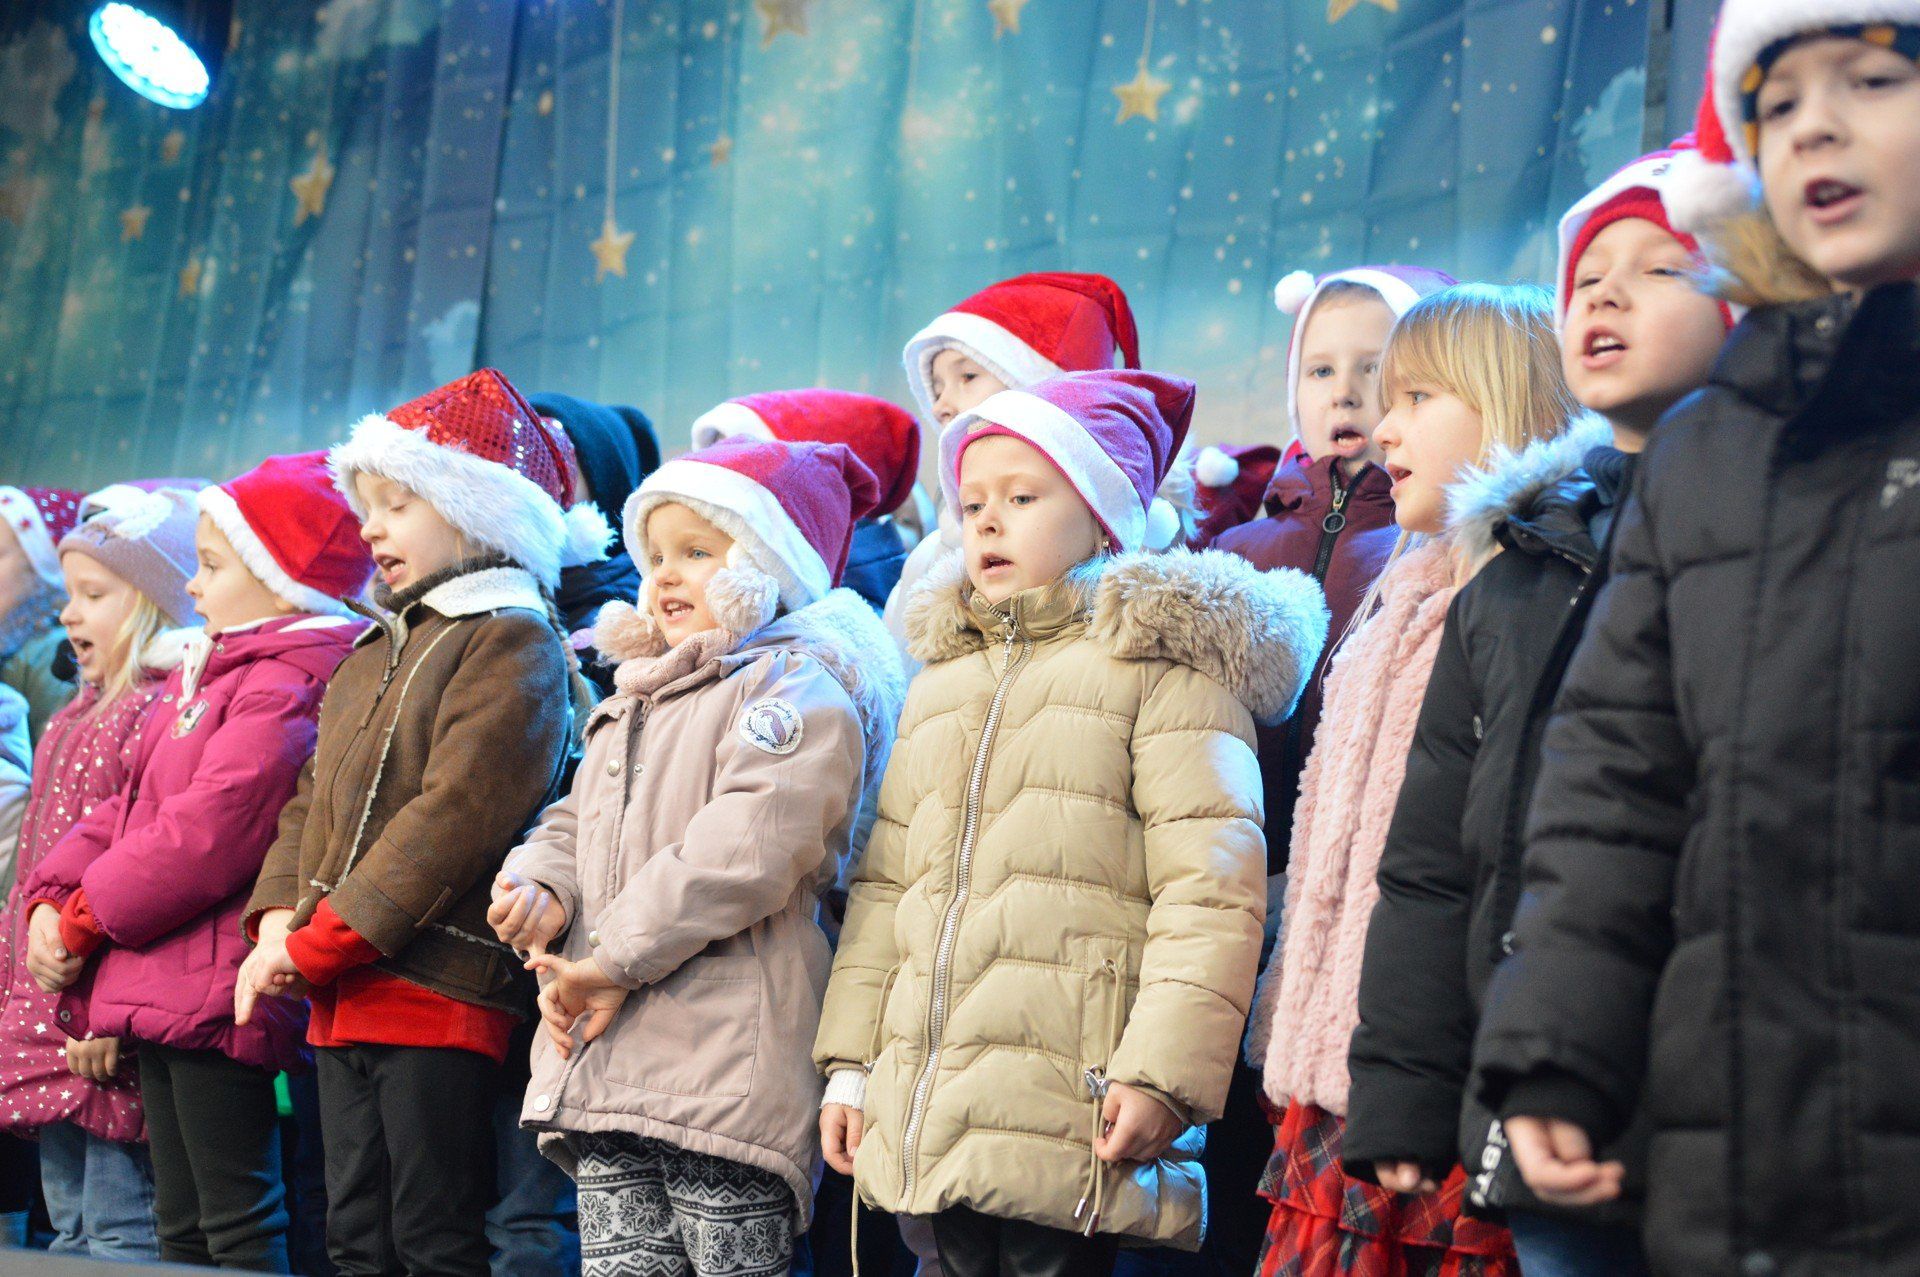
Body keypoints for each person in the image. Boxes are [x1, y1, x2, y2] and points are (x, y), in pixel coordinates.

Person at [1472, 6, 1920, 1271]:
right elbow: (1617, 786)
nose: (1816, 123)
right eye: (1776, 104)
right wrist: (1557, 1053)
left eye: (1874, 79)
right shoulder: (1711, 452)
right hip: (1739, 1154)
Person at [815, 368, 1330, 1276]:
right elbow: (884, 888)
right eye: (971, 501)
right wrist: (853, 1063)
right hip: (935, 1097)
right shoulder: (940, 683)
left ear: (1102, 518)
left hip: (1081, 1093)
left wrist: (1161, 1073)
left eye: (1022, 496)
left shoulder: (1162, 666)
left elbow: (1210, 889)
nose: (987, 519)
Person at [1344, 142, 1734, 1277]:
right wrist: (1410, 1087)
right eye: (1586, 274)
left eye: (1659, 267)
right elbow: (1432, 862)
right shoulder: (1514, 571)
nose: (1604, 291)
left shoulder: (1769, 536)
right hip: (1548, 1100)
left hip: (1730, 1099)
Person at [492, 435, 903, 1277]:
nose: (667, 574)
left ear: (767, 564)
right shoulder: (631, 701)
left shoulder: (791, 687)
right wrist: (540, 880)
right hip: (607, 1057)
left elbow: (747, 846)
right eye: (657, 556)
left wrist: (611, 960)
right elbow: (574, 819)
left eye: (699, 552)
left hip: (722, 1066)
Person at [1246, 283, 1584, 1277]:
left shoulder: (1522, 598)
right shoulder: (1396, 595)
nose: (1385, 426)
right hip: (1338, 1070)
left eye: (1421, 397)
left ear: (1511, 403)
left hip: (1444, 1079)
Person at [239, 372, 595, 1276]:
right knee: (355, 1233)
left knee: (432, 1233)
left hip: (434, 980)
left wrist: (328, 935)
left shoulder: (510, 639)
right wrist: (280, 915)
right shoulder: (374, 647)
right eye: (368, 506)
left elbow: (458, 817)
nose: (371, 527)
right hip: (340, 985)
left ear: (476, 511)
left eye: (398, 503)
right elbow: (311, 796)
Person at [25, 459, 373, 1270]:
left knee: (237, 1217)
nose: (195, 586)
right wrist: (51, 890)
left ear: (281, 579)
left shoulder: (290, 680)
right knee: (181, 1223)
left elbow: (213, 828)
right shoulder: (212, 674)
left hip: (219, 986)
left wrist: (84, 915)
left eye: (213, 567)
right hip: (159, 978)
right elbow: (131, 805)